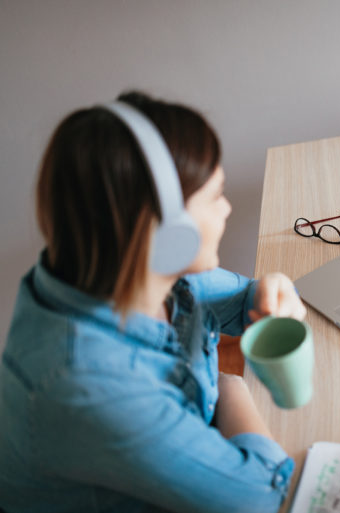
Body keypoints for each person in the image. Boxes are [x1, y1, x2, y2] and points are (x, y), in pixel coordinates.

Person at [0, 92, 307, 513]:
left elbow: (242, 301)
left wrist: (268, 291)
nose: (228, 208)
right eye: (216, 195)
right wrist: (229, 385)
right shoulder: (87, 384)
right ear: (167, 233)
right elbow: (261, 496)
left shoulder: (112, 272)